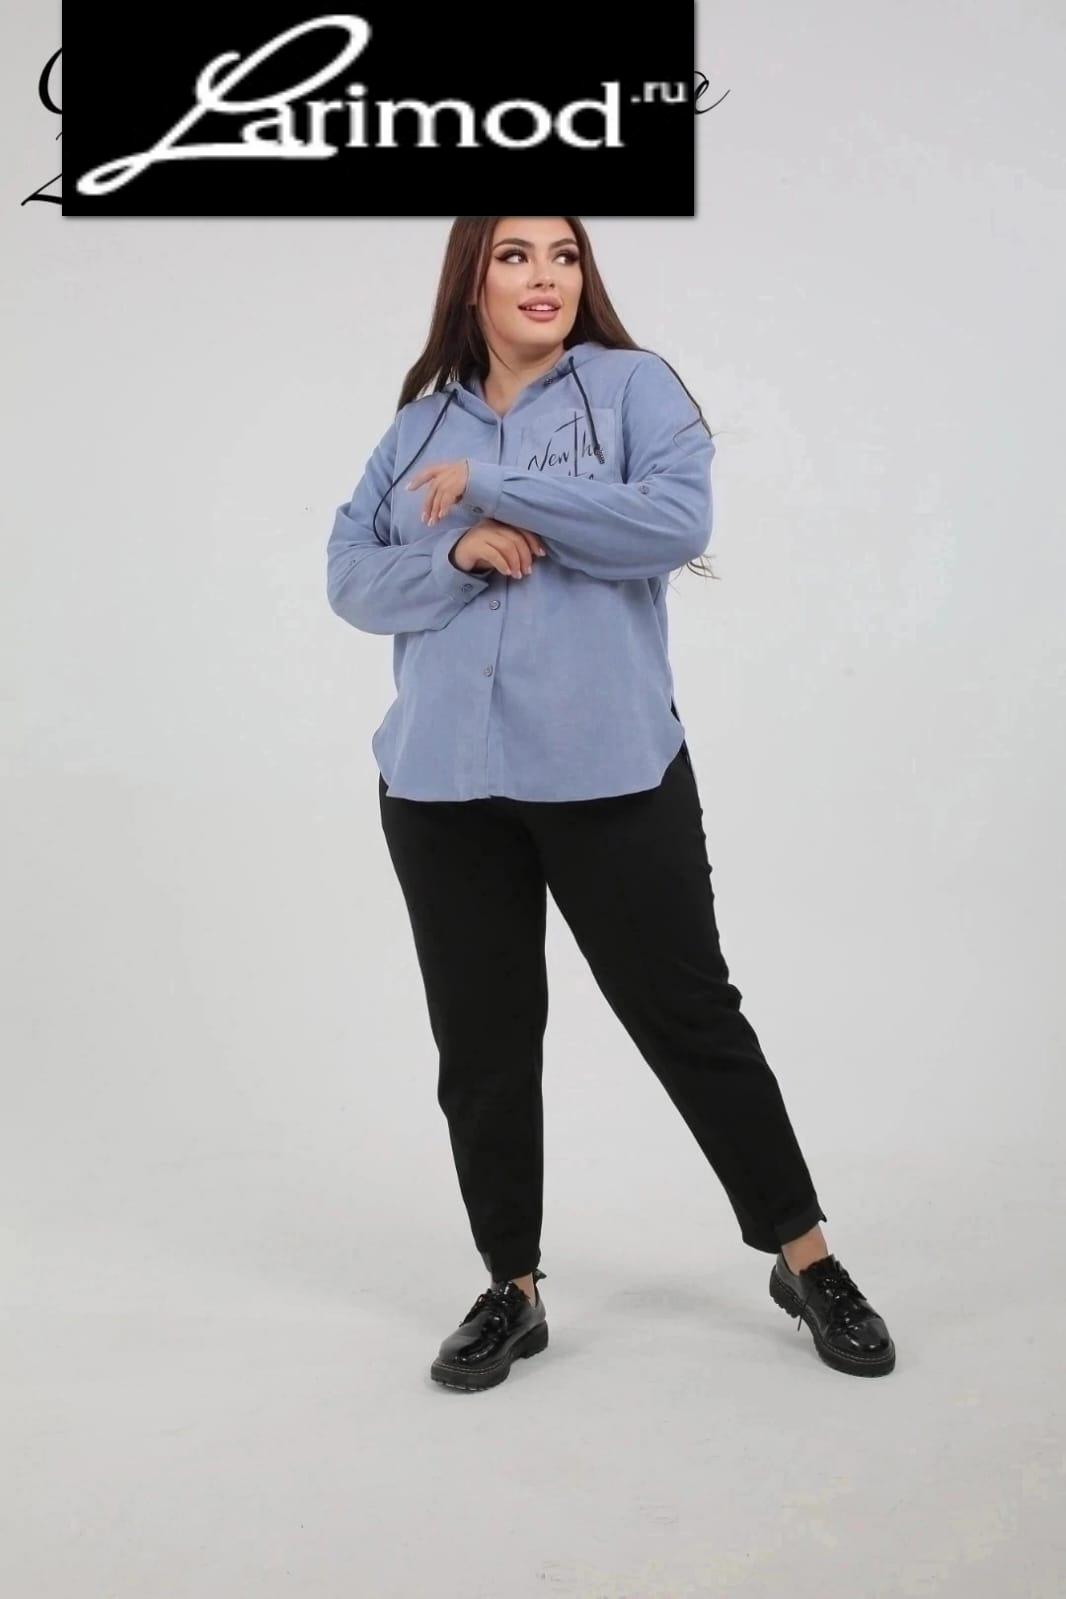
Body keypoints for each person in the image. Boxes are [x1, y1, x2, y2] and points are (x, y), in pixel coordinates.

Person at [326, 216, 895, 1389]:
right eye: (514, 255)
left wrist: (496, 488)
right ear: (471, 279)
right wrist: (453, 553)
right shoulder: (416, 425)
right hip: (440, 786)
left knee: (690, 1018)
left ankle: (805, 1257)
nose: (545, 277)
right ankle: (512, 1287)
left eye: (565, 255)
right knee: (481, 1046)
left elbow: (672, 526)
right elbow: (348, 578)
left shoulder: (636, 388)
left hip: (611, 775)